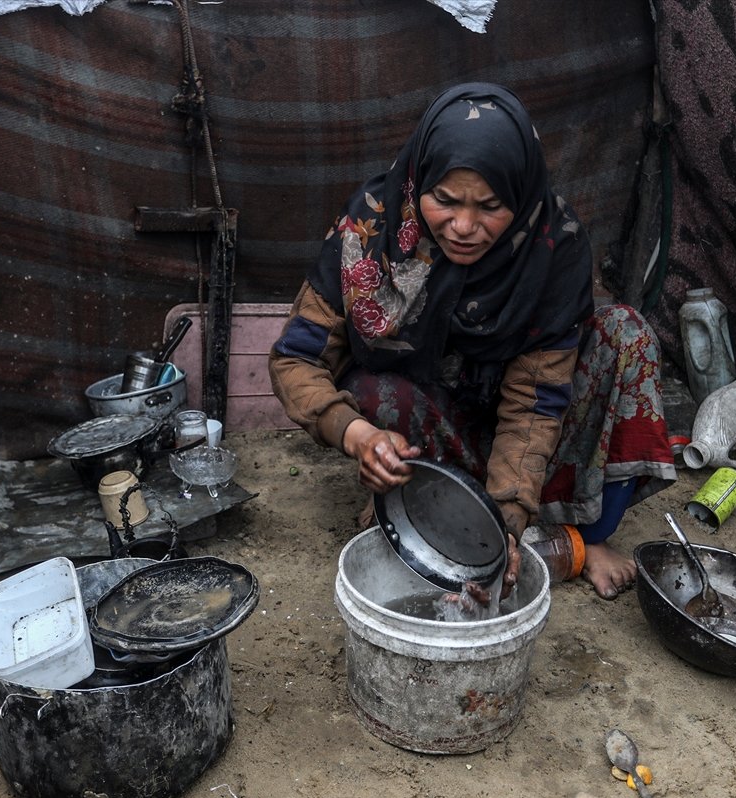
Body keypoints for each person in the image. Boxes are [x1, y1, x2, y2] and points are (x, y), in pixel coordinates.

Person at [268, 82, 676, 599]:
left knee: (627, 334)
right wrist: (359, 436)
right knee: (376, 393)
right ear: (420, 183)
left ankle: (573, 536)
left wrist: (505, 521)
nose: (464, 226)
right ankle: (432, 517)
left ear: (521, 193)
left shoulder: (554, 245)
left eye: (490, 206)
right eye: (444, 199)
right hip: (436, 438)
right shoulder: (371, 227)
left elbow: (535, 403)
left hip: (530, 452)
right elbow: (295, 359)